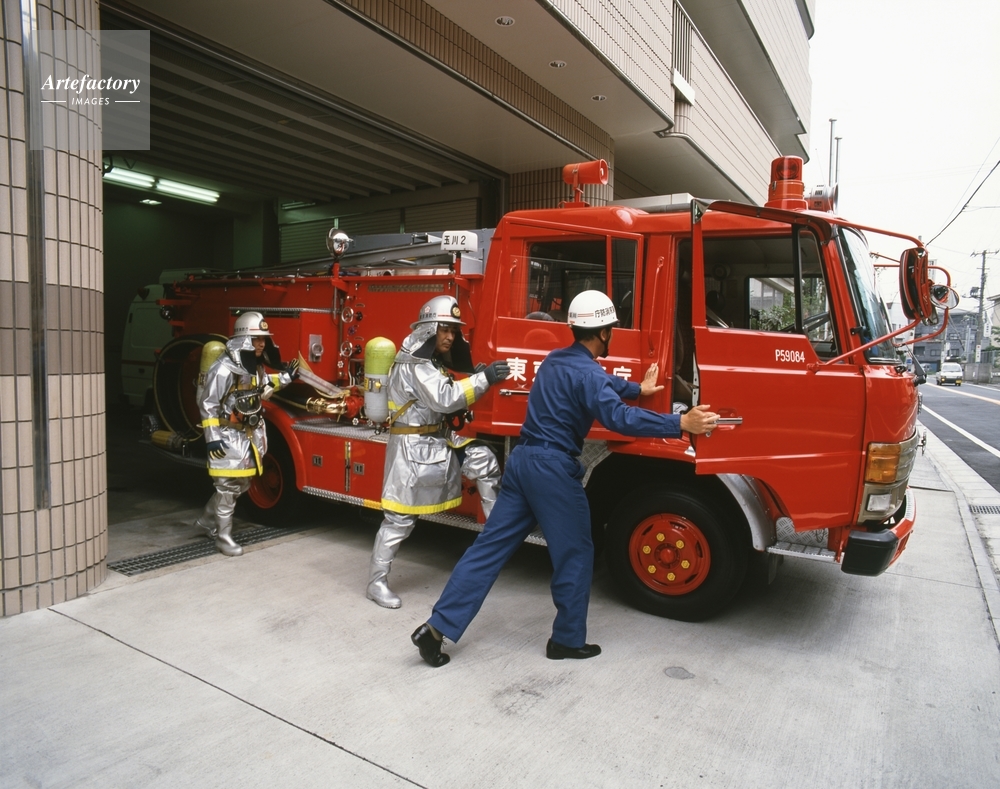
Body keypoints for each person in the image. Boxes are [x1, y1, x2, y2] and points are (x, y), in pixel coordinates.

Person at [411, 290, 719, 667]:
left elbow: (600, 383)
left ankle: (435, 628)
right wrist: (680, 422)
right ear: (603, 333)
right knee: (576, 552)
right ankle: (567, 640)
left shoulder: (556, 360)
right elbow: (618, 418)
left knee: (488, 549)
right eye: (612, 329)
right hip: (552, 470)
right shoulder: (588, 374)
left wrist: (637, 389)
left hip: (523, 462)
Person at [367, 295, 511, 609]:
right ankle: (376, 583)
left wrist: (475, 378)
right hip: (411, 450)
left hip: (435, 442)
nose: (450, 337)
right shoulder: (416, 363)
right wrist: (484, 378)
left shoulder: (429, 360)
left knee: (484, 461)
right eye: (444, 329)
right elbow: (445, 398)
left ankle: (497, 543)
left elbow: (444, 390)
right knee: (399, 520)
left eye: (454, 331)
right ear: (428, 329)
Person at [196, 311, 299, 556]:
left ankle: (206, 521)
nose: (262, 343)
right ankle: (223, 538)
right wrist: (213, 438)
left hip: (248, 435)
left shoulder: (254, 367)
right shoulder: (223, 369)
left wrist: (286, 377)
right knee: (226, 486)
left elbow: (263, 387)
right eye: (256, 339)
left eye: (263, 338)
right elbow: (208, 404)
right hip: (226, 435)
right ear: (243, 340)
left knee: (241, 483)